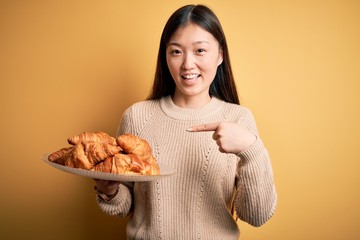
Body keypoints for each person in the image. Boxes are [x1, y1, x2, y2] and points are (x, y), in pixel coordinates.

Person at [93, 4, 277, 239]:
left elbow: (256, 215)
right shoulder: (137, 117)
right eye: (176, 51)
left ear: (220, 54)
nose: (187, 64)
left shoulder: (239, 119)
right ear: (165, 56)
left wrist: (252, 151)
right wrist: (109, 190)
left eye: (200, 50)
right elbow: (125, 206)